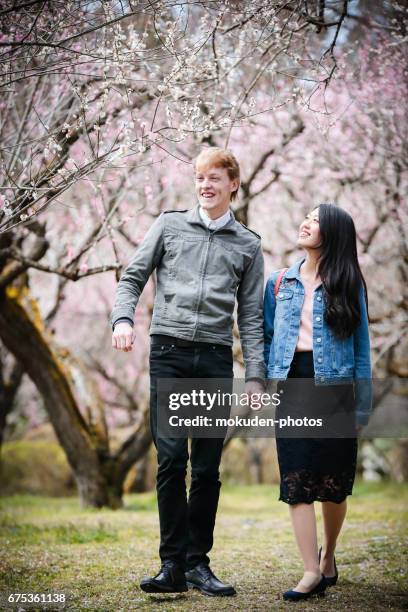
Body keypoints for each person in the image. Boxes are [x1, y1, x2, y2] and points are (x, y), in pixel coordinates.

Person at [111, 147, 265, 596]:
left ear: (233, 183)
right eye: (200, 177)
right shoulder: (169, 224)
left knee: (207, 466)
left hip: (215, 358)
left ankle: (198, 564)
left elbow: (252, 316)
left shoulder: (249, 244)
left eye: (215, 178)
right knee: (172, 458)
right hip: (170, 352)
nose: (205, 185)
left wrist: (254, 376)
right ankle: (171, 564)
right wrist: (123, 318)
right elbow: (132, 277)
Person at [264, 203, 372, 601]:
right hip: (293, 387)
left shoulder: (349, 284)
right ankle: (310, 570)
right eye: (306, 217)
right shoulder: (279, 283)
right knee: (297, 481)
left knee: (334, 486)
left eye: (315, 219)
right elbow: (265, 338)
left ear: (334, 234)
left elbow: (362, 349)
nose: (305, 223)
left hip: (337, 390)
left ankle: (329, 559)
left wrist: (363, 407)